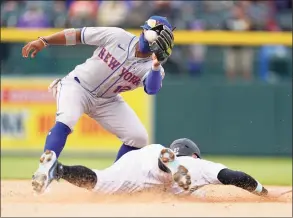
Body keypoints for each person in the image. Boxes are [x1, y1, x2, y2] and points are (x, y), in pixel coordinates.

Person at [21, 16, 175, 193]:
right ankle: (45, 168)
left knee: (138, 137)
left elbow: (152, 89)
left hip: (107, 100)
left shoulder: (154, 68)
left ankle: (112, 181)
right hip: (78, 86)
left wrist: (155, 65)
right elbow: (78, 35)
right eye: (146, 31)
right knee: (67, 119)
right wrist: (44, 41)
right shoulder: (117, 36)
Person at [33, 138, 288, 199]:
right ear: (195, 154)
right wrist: (264, 193)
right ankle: (167, 164)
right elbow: (235, 176)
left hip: (137, 159)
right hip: (161, 165)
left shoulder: (157, 152)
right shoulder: (197, 164)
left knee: (98, 181)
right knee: (165, 172)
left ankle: (60, 170)